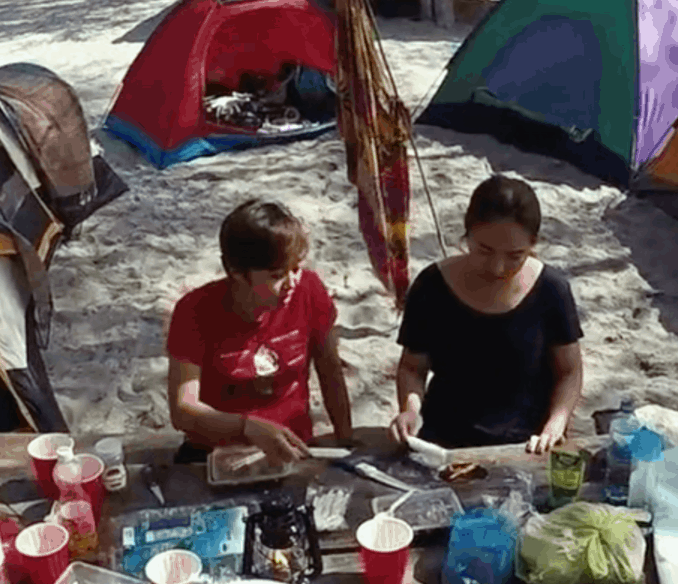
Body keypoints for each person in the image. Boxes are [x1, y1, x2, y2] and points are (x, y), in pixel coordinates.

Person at [390, 173, 584, 454]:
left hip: (526, 444)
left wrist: (557, 422)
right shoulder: (431, 285)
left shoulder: (552, 289)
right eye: (484, 250)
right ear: (467, 234)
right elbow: (412, 367)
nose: (497, 267)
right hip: (443, 440)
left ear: (533, 244)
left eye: (515, 256)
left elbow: (569, 370)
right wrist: (409, 410)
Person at [167, 199, 354, 466]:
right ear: (237, 272)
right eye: (277, 275)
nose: (292, 282)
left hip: (292, 446)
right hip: (218, 452)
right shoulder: (194, 311)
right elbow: (183, 411)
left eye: (296, 268)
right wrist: (246, 428)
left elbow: (330, 369)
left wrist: (345, 439)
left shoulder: (309, 289)